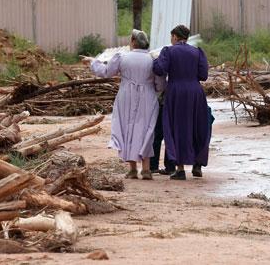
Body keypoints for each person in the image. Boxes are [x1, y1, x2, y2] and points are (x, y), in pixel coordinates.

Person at [82, 29, 164, 180]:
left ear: (133, 41)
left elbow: (106, 71)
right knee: (147, 130)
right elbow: (160, 83)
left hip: (127, 95)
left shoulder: (123, 57)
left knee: (128, 129)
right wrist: (156, 90)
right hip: (147, 96)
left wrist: (92, 62)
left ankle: (132, 169)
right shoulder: (153, 60)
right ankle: (146, 169)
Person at [153, 24, 212, 180]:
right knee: (197, 126)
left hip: (176, 92)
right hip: (195, 92)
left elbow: (160, 69)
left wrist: (156, 60)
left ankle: (180, 169)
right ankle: (197, 164)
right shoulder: (197, 52)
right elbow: (203, 75)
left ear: (174, 37)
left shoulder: (168, 51)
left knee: (177, 127)